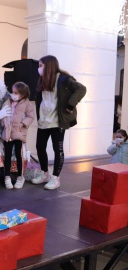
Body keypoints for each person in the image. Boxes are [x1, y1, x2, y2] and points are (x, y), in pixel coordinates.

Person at [32, 55, 86, 190]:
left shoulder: (64, 79)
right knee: (39, 147)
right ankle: (45, 174)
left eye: (41, 65)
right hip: (44, 120)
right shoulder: (42, 80)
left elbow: (81, 89)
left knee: (58, 149)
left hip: (58, 121)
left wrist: (70, 105)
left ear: (49, 65)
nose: (39, 68)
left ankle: (55, 178)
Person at [1, 82, 35, 189]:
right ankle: (7, 176)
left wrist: (23, 124)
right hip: (8, 132)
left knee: (19, 155)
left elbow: (31, 116)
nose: (13, 94)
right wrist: (4, 124)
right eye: (12, 92)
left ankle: (20, 176)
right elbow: (3, 114)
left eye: (16, 93)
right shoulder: (8, 102)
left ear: (23, 94)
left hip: (19, 133)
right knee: (7, 155)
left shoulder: (27, 103)